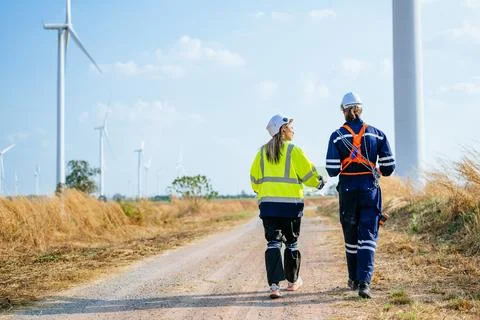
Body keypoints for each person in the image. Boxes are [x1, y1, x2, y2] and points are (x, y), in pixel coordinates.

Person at [325, 92, 395, 298]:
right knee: (368, 236)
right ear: (360, 109)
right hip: (370, 190)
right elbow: (389, 167)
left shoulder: (337, 136)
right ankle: (365, 283)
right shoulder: (378, 134)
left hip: (347, 190)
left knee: (351, 236)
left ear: (344, 111)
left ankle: (353, 279)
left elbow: (331, 169)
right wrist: (374, 171)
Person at [250, 114, 325, 299]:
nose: (293, 130)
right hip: (290, 206)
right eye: (290, 126)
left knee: (273, 243)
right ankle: (292, 282)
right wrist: (319, 182)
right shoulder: (293, 150)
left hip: (268, 206)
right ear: (283, 129)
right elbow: (308, 175)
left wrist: (266, 192)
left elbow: (254, 181)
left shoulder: (260, 152)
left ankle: (274, 286)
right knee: (291, 242)